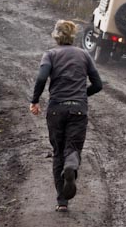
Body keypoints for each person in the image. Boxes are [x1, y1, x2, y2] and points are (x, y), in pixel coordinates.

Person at [29, 20, 103, 212]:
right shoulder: (84, 55)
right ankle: (71, 166)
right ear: (73, 35)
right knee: (73, 149)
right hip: (78, 109)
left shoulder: (50, 54)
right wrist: (80, 95)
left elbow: (41, 77)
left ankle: (62, 201)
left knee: (57, 152)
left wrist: (35, 100)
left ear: (56, 35)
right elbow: (98, 85)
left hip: (56, 109)